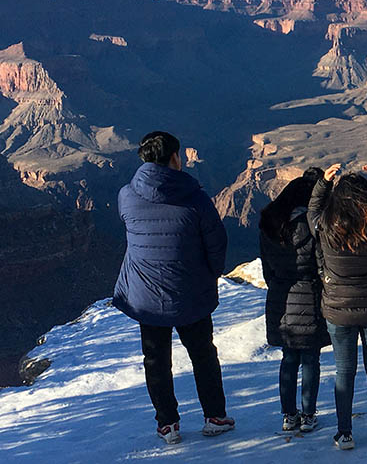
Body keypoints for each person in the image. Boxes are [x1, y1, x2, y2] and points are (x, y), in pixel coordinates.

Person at [113, 131, 234, 444]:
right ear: (174, 158)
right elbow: (217, 241)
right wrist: (212, 273)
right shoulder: (195, 198)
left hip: (145, 296)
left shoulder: (127, 194)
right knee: (203, 354)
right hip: (190, 290)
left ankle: (168, 424)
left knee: (156, 360)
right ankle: (215, 416)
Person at [308, 162, 367, 450]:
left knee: (343, 371)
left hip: (338, 310)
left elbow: (313, 212)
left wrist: (324, 183)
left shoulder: (324, 228)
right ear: (365, 200)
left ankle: (344, 433)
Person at [259, 168, 332, 433]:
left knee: (288, 358)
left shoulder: (270, 222)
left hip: (280, 295)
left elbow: (266, 268)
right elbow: (323, 265)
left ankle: (288, 415)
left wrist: (277, 286)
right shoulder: (315, 226)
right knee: (311, 359)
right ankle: (308, 414)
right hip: (311, 297)